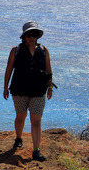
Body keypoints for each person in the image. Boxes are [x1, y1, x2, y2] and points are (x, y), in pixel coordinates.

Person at [3, 21, 54, 162]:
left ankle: (36, 150)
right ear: (24, 36)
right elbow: (9, 69)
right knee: (21, 116)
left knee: (36, 120)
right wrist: (5, 87)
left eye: (34, 35)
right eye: (29, 35)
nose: (32, 38)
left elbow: (49, 70)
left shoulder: (44, 50)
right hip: (19, 89)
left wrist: (50, 87)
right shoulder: (16, 50)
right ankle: (18, 138)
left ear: (37, 36)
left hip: (38, 90)